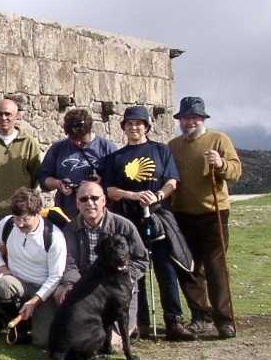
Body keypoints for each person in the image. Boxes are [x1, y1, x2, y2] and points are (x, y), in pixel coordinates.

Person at [101, 105, 197, 341]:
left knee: (166, 268)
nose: (134, 127)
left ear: (146, 127)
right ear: (124, 127)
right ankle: (139, 323)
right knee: (135, 271)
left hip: (157, 217)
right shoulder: (115, 158)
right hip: (129, 219)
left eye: (138, 123)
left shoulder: (161, 150)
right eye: (129, 123)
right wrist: (133, 195)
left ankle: (174, 321)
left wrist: (158, 196)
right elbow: (110, 190)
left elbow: (172, 181)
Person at [168, 96, 242, 338]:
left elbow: (235, 171)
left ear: (202, 119)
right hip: (181, 214)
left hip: (213, 213)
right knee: (188, 268)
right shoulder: (173, 146)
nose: (190, 122)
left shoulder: (219, 139)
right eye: (185, 118)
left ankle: (224, 321)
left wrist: (220, 164)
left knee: (215, 268)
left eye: (194, 117)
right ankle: (201, 317)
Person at [56, 180, 148, 341]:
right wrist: (71, 284)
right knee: (60, 294)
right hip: (87, 286)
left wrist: (125, 277)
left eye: (94, 198)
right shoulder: (70, 230)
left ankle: (126, 330)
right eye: (84, 199)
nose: (89, 203)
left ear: (104, 200)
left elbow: (141, 260)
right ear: (77, 204)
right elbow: (69, 263)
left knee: (112, 342)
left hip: (118, 287)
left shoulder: (124, 226)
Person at [0, 188, 67, 349]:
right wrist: (3, 269)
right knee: (4, 283)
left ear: (37, 214)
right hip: (18, 283)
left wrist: (34, 302)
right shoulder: (8, 223)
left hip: (43, 291)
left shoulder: (54, 237)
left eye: (25, 219)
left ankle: (34, 321)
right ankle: (19, 329)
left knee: (43, 342)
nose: (19, 224)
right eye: (17, 219)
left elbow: (55, 277)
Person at [39, 108, 116, 222]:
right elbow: (43, 178)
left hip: (98, 215)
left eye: (82, 139)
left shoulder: (106, 148)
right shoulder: (58, 148)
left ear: (89, 130)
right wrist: (59, 183)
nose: (78, 143)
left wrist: (100, 183)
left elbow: (117, 183)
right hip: (66, 214)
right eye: (73, 139)